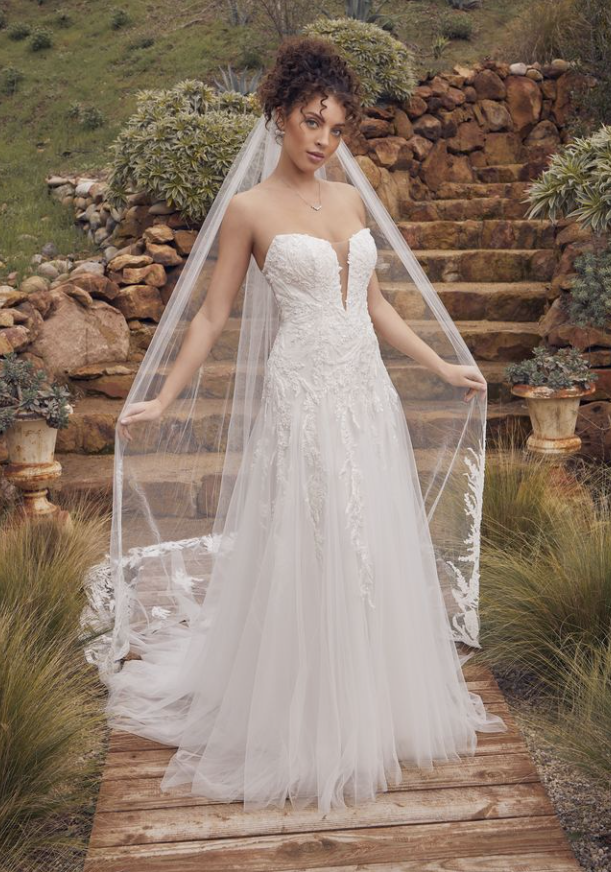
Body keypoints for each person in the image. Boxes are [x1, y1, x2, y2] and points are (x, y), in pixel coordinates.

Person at [100, 35, 508, 815]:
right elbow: (213, 314)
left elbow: (376, 304)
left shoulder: (351, 201)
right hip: (302, 394)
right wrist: (157, 396)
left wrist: (439, 365)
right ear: (281, 115)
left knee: (367, 537)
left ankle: (374, 702)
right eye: (312, 121)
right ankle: (302, 712)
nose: (324, 140)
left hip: (363, 391)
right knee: (311, 535)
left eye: (338, 128)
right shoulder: (250, 211)